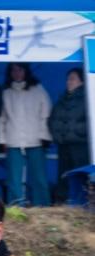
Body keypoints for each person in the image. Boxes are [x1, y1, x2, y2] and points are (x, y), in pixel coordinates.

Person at [0, 63, 52, 207]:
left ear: (26, 71)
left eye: (20, 69)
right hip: (13, 140)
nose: (16, 73)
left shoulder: (38, 89)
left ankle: (42, 208)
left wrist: (44, 135)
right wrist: (2, 140)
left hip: (36, 140)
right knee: (13, 178)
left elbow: (45, 114)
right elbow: (2, 118)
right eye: (13, 70)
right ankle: (15, 207)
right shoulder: (6, 92)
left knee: (39, 177)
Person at [49, 68, 89, 207]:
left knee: (80, 174)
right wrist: (57, 135)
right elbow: (53, 120)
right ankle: (62, 203)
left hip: (80, 145)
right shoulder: (61, 100)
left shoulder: (88, 98)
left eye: (72, 78)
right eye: (68, 79)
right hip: (64, 144)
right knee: (63, 175)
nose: (68, 82)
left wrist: (78, 131)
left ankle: (82, 203)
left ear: (81, 81)